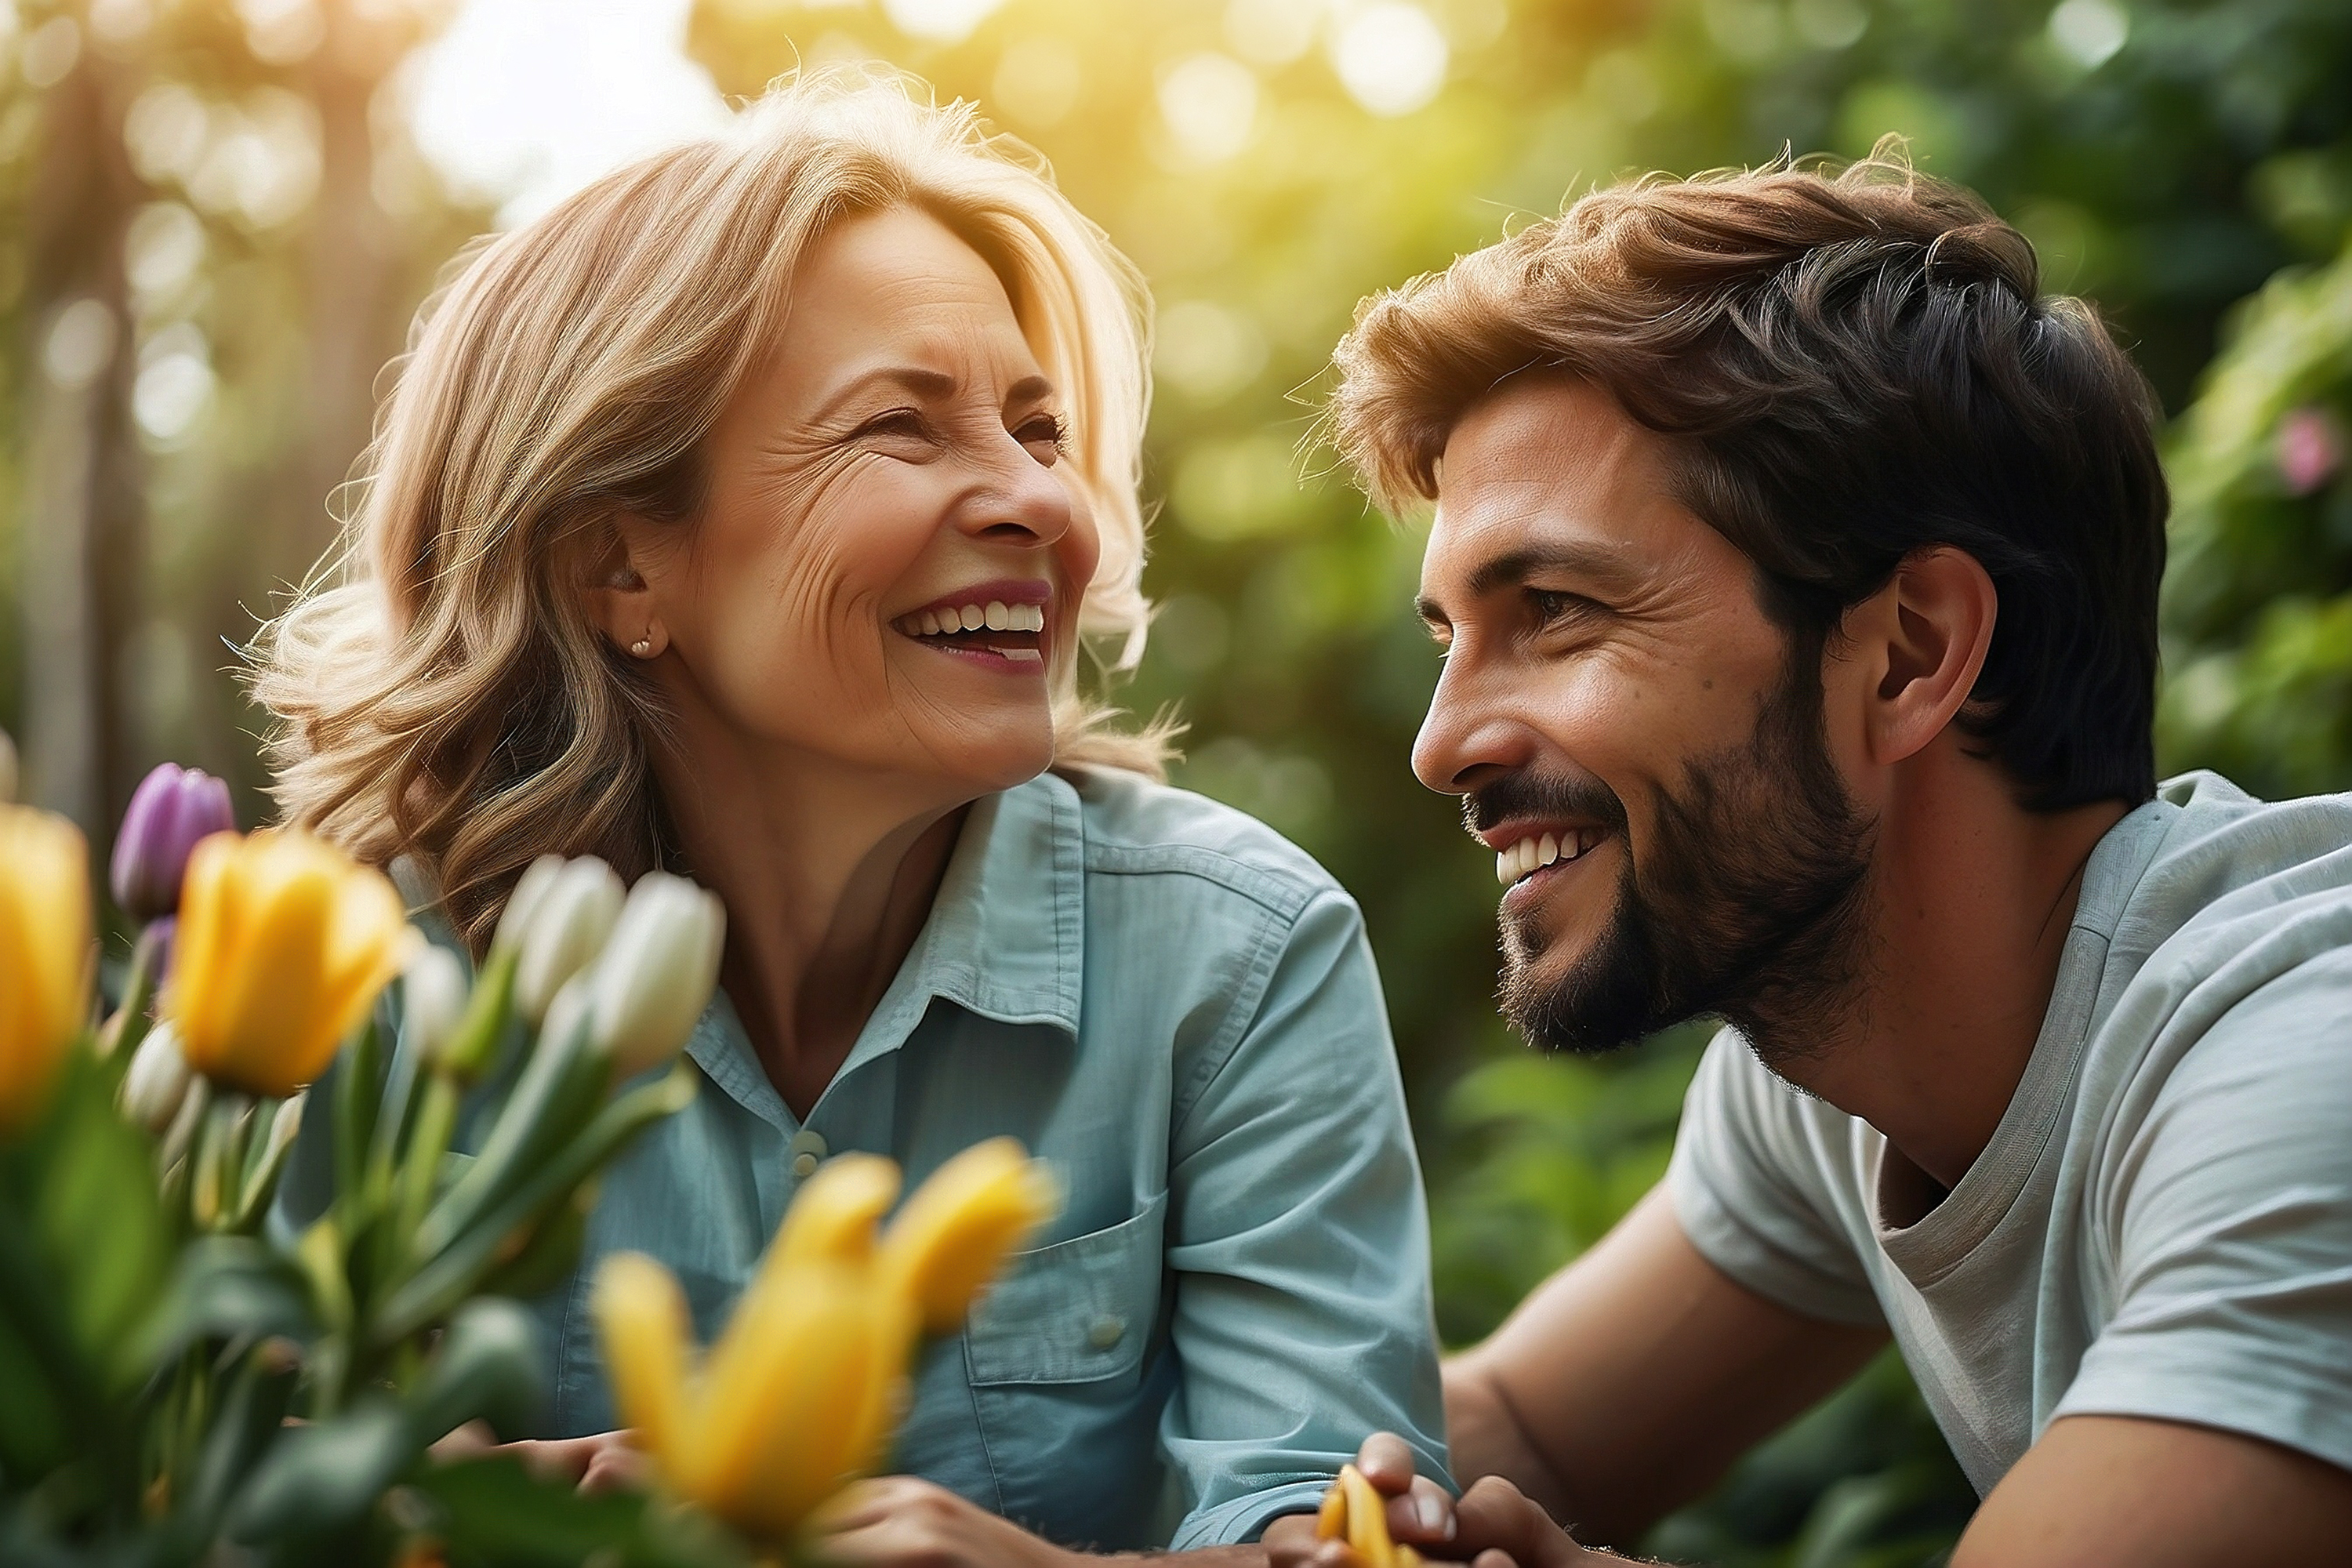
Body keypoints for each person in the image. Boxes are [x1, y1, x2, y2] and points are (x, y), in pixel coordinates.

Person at [257, 69, 1445, 1565]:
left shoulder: (1242, 957)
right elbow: (192, 1476)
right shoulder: (350, 973)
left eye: (1039, 432)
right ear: (617, 566)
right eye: (901, 427)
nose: (1043, 504)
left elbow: (1327, 1524)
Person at [1279, 155, 2352, 1567]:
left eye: (1555, 608)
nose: (1441, 746)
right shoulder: (1837, 1068)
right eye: (1450, 639)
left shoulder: (2302, 1067)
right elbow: (1528, 1433)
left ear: (1908, 653)